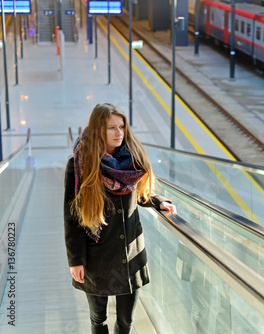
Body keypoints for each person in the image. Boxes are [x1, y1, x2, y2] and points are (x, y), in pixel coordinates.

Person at [63, 103, 176, 334]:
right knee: (99, 320)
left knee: (126, 322)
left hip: (130, 253)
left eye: (122, 127)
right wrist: (76, 259)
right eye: (111, 128)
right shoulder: (81, 165)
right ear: (98, 131)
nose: (119, 133)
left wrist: (157, 201)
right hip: (97, 256)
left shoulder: (131, 162)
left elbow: (138, 192)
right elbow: (72, 216)